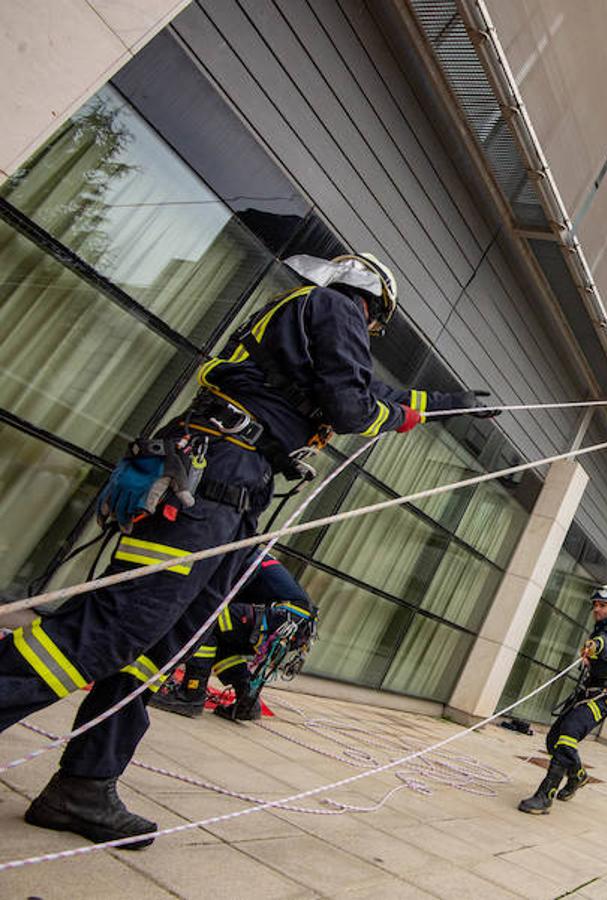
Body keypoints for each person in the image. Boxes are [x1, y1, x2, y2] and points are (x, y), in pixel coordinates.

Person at [0, 252, 497, 849]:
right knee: (114, 628)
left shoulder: (311, 316)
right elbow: (354, 408)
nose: (368, 337)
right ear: (373, 304)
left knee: (160, 644)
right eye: (374, 328)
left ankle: (84, 785)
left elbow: (375, 392)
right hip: (212, 481)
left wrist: (450, 404)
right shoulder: (336, 306)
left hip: (234, 491)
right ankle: (77, 777)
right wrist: (391, 415)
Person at [149, 554, 315, 721]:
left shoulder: (241, 553)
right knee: (221, 644)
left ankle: (191, 694)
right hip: (293, 624)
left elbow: (216, 593)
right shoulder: (252, 553)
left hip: (280, 618)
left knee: (205, 621)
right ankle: (247, 702)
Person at [518, 585, 607, 815]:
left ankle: (544, 796)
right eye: (595, 605)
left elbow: (604, 645)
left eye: (603, 605)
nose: (597, 609)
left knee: (567, 736)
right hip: (587, 693)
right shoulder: (601, 629)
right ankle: (577, 775)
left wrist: (594, 647)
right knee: (554, 740)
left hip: (602, 698)